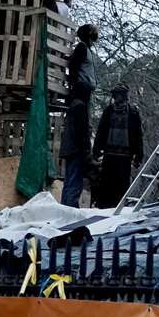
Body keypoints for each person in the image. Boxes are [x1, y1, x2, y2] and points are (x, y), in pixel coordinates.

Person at [60, 25, 99, 207]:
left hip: (84, 91)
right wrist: (74, 87)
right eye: (94, 31)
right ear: (89, 34)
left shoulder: (88, 49)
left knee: (74, 178)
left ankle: (70, 207)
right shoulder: (82, 47)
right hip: (81, 90)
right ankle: (68, 209)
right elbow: (74, 67)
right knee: (73, 179)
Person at [91, 84, 144, 209]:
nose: (118, 98)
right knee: (106, 186)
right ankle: (104, 210)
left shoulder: (133, 113)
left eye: (120, 95)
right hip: (109, 155)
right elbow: (101, 131)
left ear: (125, 96)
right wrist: (97, 150)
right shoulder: (108, 111)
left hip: (125, 157)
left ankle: (117, 210)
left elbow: (137, 136)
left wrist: (138, 156)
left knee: (121, 187)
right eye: (116, 95)